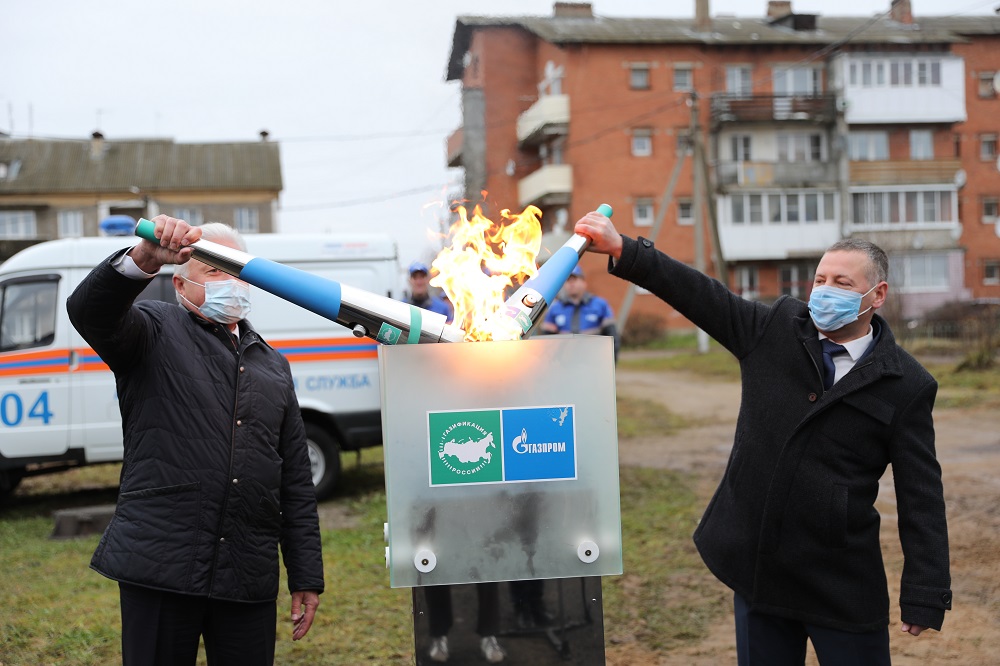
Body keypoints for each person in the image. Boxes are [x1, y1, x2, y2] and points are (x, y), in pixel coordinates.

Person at [573, 209, 951, 666]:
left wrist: (925, 591)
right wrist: (624, 249)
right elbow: (700, 294)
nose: (825, 291)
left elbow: (921, 495)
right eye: (820, 280)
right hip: (760, 571)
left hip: (841, 581)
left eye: (843, 284)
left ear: (878, 294)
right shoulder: (773, 331)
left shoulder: (906, 384)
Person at [67, 216, 324, 665]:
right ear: (181, 286)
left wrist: (305, 575)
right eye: (214, 270)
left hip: (247, 570)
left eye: (237, 271)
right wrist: (144, 258)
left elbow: (296, 482)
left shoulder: (272, 366)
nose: (231, 282)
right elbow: (91, 312)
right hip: (161, 563)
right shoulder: (152, 329)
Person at [541, 264, 620, 360]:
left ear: (583, 282)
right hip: (565, 365)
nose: (571, 284)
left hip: (594, 363)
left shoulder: (600, 305)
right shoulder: (554, 308)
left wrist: (611, 364)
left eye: (574, 279)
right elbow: (547, 343)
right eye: (567, 280)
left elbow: (612, 338)